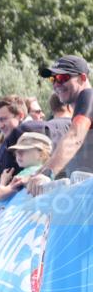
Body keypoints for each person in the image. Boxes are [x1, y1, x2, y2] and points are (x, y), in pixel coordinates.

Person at [27, 56, 93, 196]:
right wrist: (34, 177)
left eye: (62, 78)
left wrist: (46, 173)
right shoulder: (80, 112)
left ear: (82, 77)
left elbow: (75, 138)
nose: (56, 84)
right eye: (53, 79)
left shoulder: (89, 96)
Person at [0, 132, 53, 201]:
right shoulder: (47, 171)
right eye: (16, 151)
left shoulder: (28, 173)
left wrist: (3, 181)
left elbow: (0, 196)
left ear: (41, 154)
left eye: (24, 150)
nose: (18, 154)